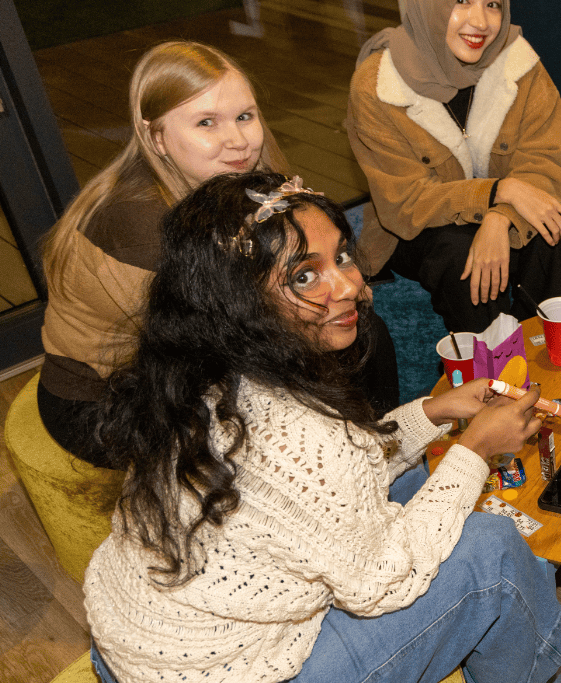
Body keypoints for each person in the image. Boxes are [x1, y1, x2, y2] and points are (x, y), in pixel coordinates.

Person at [83, 171, 561, 683]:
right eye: (304, 276)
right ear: (240, 301)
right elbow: (383, 583)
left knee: (410, 477)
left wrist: (435, 411)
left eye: (341, 256)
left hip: (138, 650)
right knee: (492, 553)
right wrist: (473, 450)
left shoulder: (194, 375)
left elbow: (327, 479)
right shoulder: (298, 431)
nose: (347, 287)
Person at [37, 41, 399, 470]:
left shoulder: (232, 181)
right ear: (156, 137)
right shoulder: (143, 230)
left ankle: (376, 456)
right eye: (206, 122)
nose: (238, 141)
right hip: (110, 399)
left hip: (187, 358)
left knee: (361, 331)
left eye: (244, 116)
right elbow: (213, 351)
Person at [346, 0, 561, 334]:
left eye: (493, 4)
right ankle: (486, 360)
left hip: (497, 210)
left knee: (553, 229)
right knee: (460, 254)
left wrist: (500, 216)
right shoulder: (377, 85)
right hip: (417, 228)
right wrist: (496, 191)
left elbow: (548, 165)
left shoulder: (519, 66)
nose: (481, 22)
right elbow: (406, 203)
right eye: (461, 0)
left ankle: (542, 341)